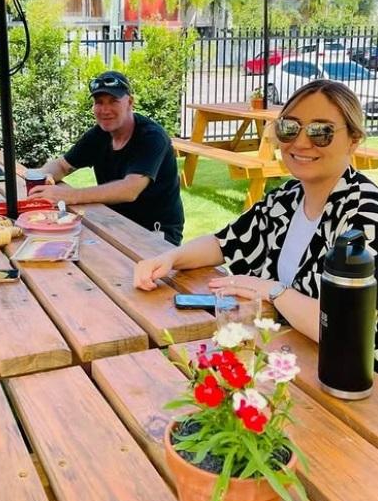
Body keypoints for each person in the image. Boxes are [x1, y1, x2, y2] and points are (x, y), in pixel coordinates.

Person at [134, 79, 378, 366]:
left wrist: (272, 291)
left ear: (353, 139)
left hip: (347, 380)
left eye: (321, 131)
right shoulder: (288, 197)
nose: (300, 142)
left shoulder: (366, 214)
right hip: (285, 359)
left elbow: (350, 327)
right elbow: (226, 241)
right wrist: (170, 257)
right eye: (290, 128)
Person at [28, 70, 184, 244]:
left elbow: (130, 189)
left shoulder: (152, 137)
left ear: (130, 102)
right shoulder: (99, 134)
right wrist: (45, 176)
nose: (105, 110)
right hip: (113, 223)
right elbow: (63, 165)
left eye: (113, 101)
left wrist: (69, 195)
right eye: (99, 102)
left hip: (154, 233)